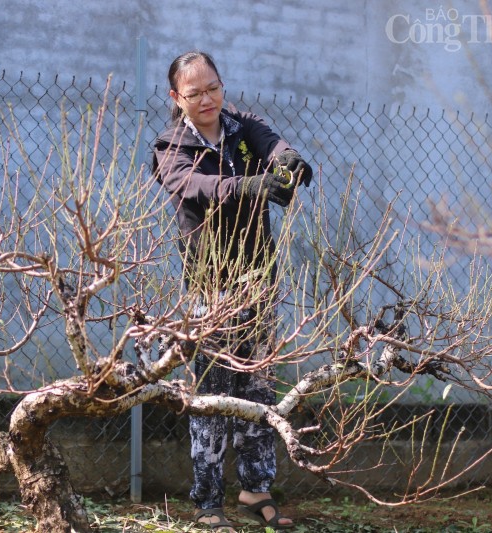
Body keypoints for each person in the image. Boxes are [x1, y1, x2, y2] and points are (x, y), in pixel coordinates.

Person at [151, 51, 313, 531]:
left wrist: (288, 165)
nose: (207, 99)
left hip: (258, 278)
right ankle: (206, 502)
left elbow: (275, 145)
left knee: (259, 388)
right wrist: (252, 186)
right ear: (176, 97)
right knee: (212, 396)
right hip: (210, 288)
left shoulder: (242, 127)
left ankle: (255, 488)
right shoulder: (171, 144)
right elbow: (193, 186)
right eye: (195, 92)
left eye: (213, 87)